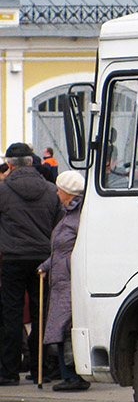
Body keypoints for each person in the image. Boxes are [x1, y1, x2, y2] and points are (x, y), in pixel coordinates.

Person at [0, 143, 62, 385]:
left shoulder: (3, 191)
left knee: (11, 315)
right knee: (41, 315)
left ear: (10, 164)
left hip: (13, 259)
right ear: (31, 161)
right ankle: (40, 369)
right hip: (43, 261)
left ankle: (8, 372)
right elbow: (58, 227)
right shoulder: (50, 190)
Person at [38, 170, 89, 391]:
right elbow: (61, 251)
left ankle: (74, 376)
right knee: (61, 328)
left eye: (59, 189)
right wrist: (46, 266)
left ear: (68, 193)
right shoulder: (69, 215)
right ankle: (70, 374)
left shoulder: (77, 219)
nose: (57, 192)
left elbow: (75, 251)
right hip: (61, 281)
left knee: (65, 328)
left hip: (69, 283)